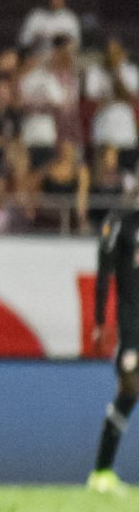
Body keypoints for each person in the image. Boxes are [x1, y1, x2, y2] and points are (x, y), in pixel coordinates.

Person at [89, 205, 139, 493]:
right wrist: (99, 320)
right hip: (132, 330)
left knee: (129, 395)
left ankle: (101, 472)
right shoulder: (121, 223)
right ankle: (101, 472)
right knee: (129, 391)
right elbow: (104, 272)